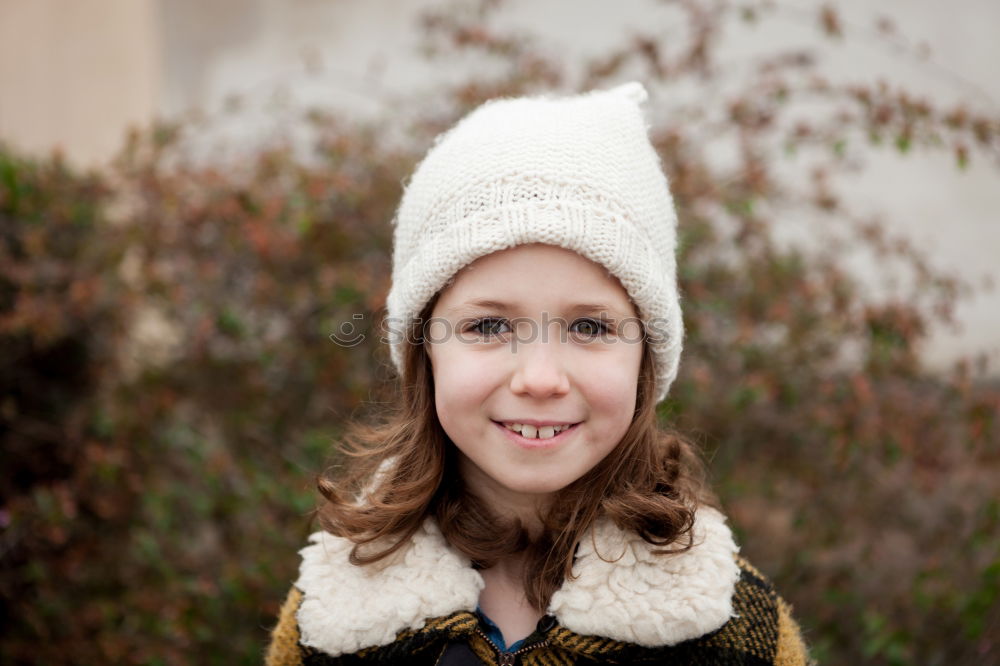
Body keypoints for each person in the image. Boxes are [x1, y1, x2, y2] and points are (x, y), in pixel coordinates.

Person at [265, 82, 813, 665]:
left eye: (591, 329)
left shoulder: (729, 630)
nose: (540, 378)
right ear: (425, 354)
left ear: (644, 361)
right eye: (489, 328)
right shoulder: (333, 623)